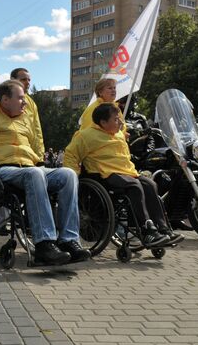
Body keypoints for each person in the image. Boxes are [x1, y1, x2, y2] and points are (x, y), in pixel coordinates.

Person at [0, 79, 90, 265]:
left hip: (28, 167)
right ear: (5, 100)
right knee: (34, 174)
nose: (25, 102)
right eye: (21, 98)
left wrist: (39, 159)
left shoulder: (24, 119)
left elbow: (35, 143)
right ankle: (44, 244)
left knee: (68, 175)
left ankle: (69, 240)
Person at [64, 102, 182, 246]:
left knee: (150, 185)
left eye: (119, 118)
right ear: (103, 122)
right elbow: (70, 155)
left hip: (126, 172)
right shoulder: (86, 135)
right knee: (134, 186)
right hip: (104, 174)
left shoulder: (119, 134)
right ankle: (147, 230)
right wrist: (73, 177)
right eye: (115, 119)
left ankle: (163, 229)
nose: (120, 122)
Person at [10, 68, 44, 161]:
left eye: (29, 80)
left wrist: (40, 158)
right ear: (13, 80)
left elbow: (37, 132)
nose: (28, 83)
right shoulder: (1, 99)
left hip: (29, 155)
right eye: (23, 79)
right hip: (9, 156)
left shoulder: (31, 103)